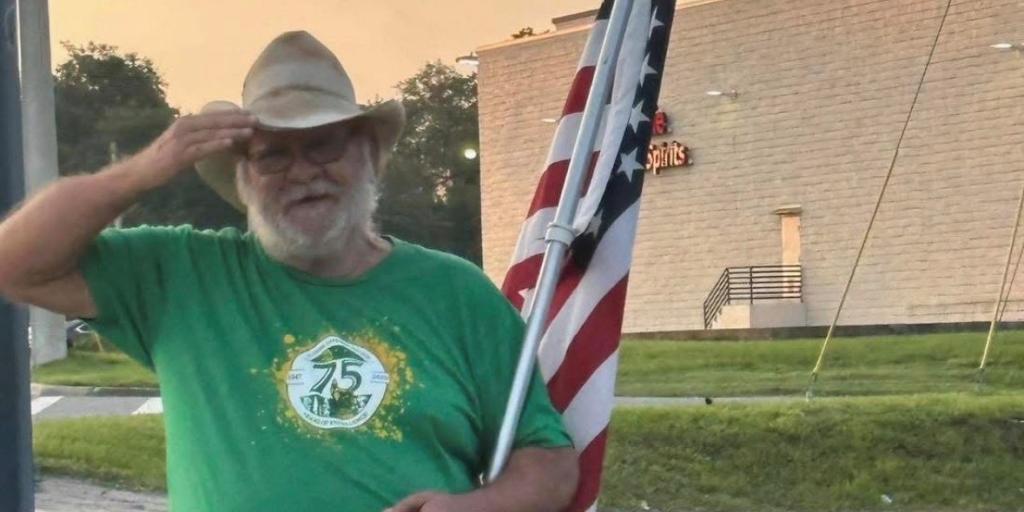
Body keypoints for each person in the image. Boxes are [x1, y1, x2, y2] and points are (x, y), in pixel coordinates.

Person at [0, 31, 578, 512]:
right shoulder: (180, 274)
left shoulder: (457, 293)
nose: (302, 172)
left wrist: (473, 509)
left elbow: (549, 461)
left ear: (369, 156)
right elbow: (14, 264)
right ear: (244, 176)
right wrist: (139, 174)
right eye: (273, 153)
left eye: (323, 145)